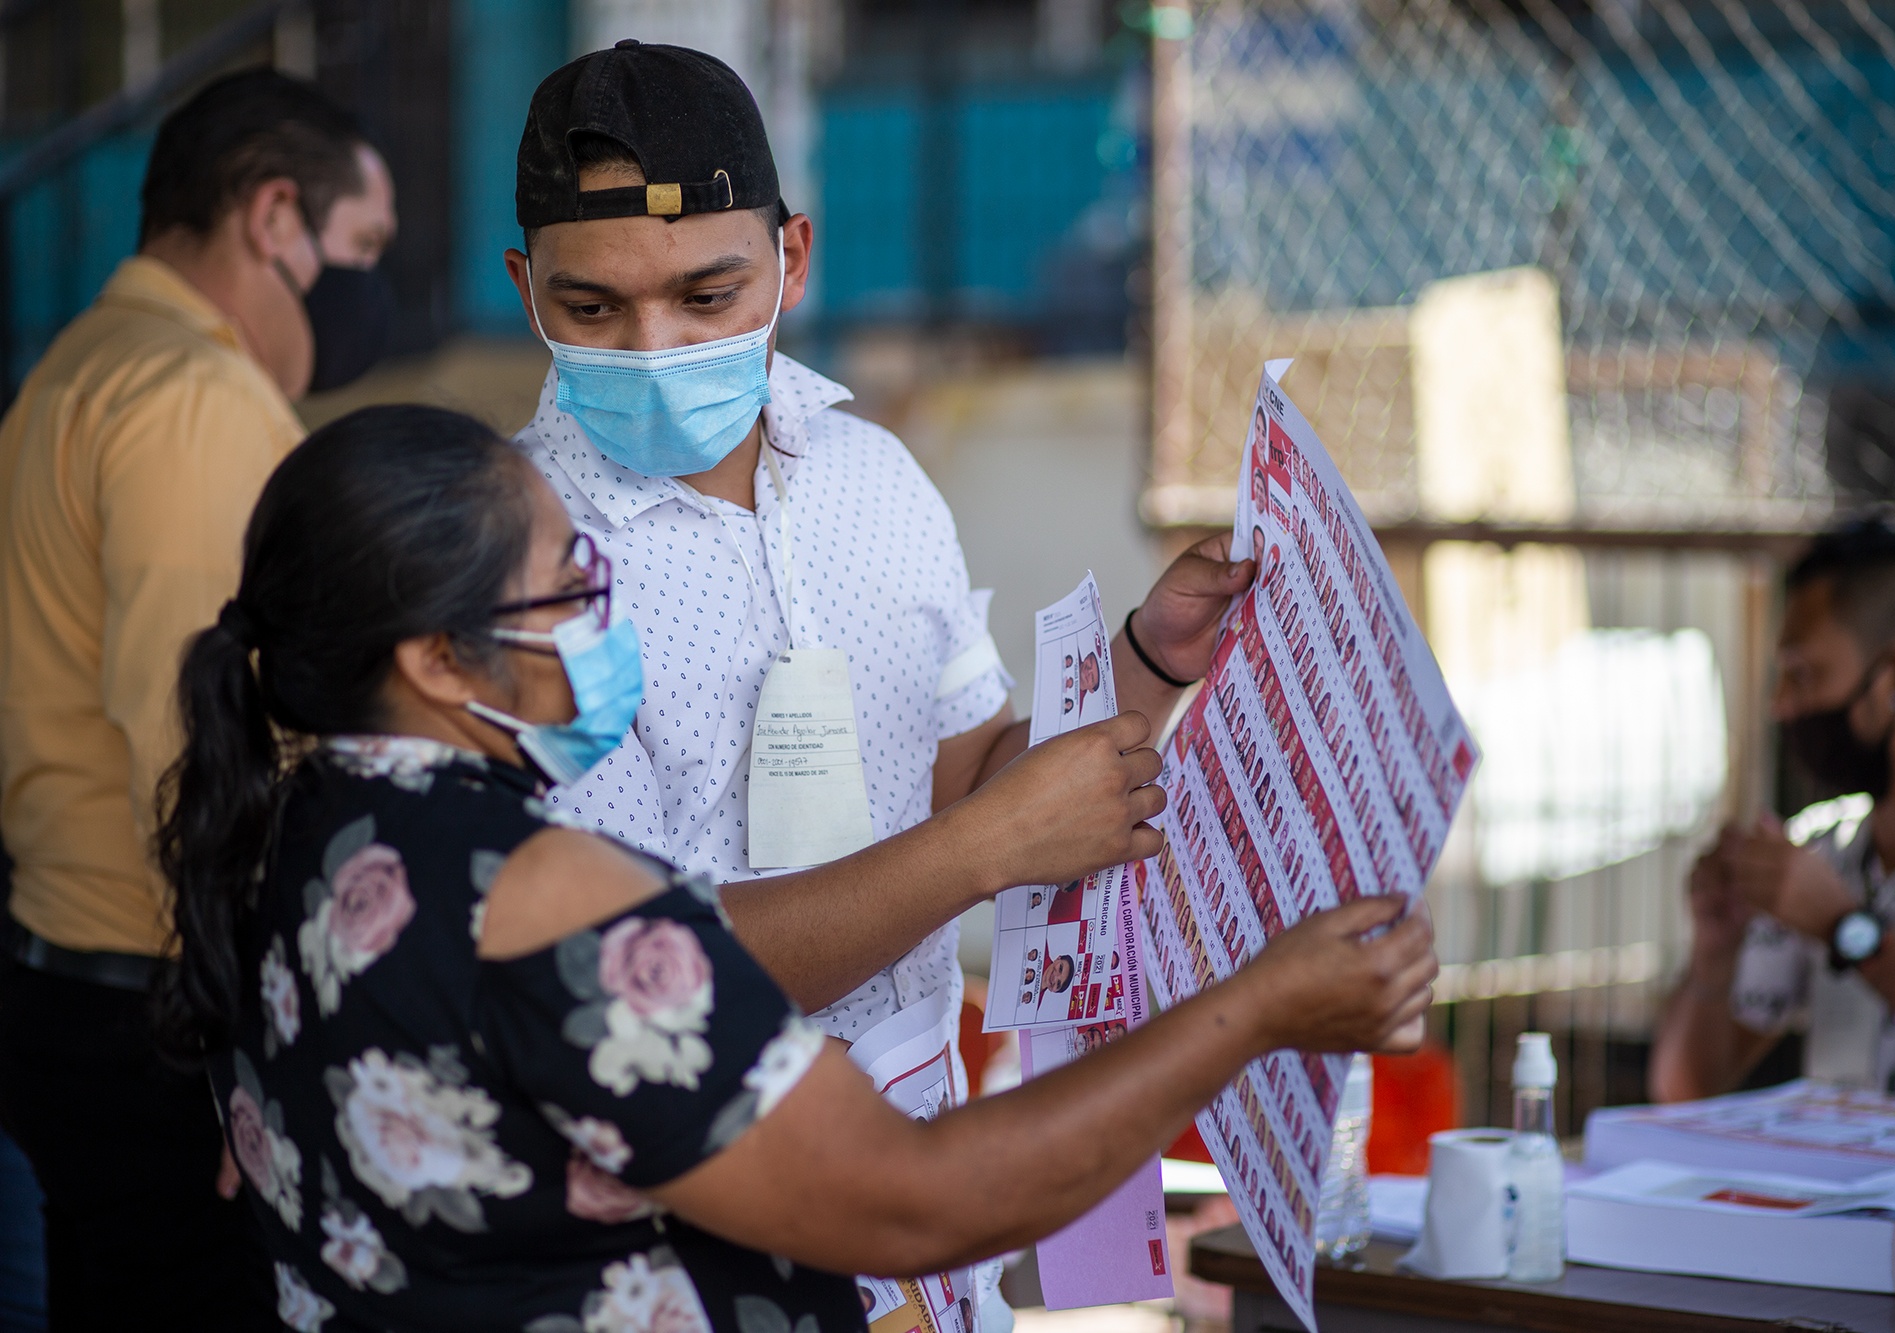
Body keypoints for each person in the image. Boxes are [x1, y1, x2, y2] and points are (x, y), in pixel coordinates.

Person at [154, 404, 1437, 1330]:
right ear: (436, 659)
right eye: (568, 587)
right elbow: (919, 1204)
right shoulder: (536, 891)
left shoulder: (292, 834)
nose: (605, 614)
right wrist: (1259, 1010)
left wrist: (1141, 676)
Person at [505, 44, 1248, 1327]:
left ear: (795, 258)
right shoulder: (510, 559)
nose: (655, 346)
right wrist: (979, 850)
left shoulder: (875, 481)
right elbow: (644, 977)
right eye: (593, 310)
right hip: (696, 1240)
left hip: (921, 1202)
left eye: (707, 292)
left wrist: (1147, 663)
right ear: (526, 288)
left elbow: (971, 786)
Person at [0, 69, 395, 1326]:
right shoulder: (195, 400)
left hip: (76, 977)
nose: (376, 286)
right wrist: (253, 1045)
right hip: (164, 1015)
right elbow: (199, 740)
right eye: (365, 248)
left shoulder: (81, 365)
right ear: (274, 219)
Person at [1651, 515, 1895, 1104]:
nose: (1780, 706)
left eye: (1803, 675)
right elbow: (1684, 1094)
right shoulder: (1823, 847)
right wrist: (1714, 955)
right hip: (1840, 1193)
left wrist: (1846, 930)